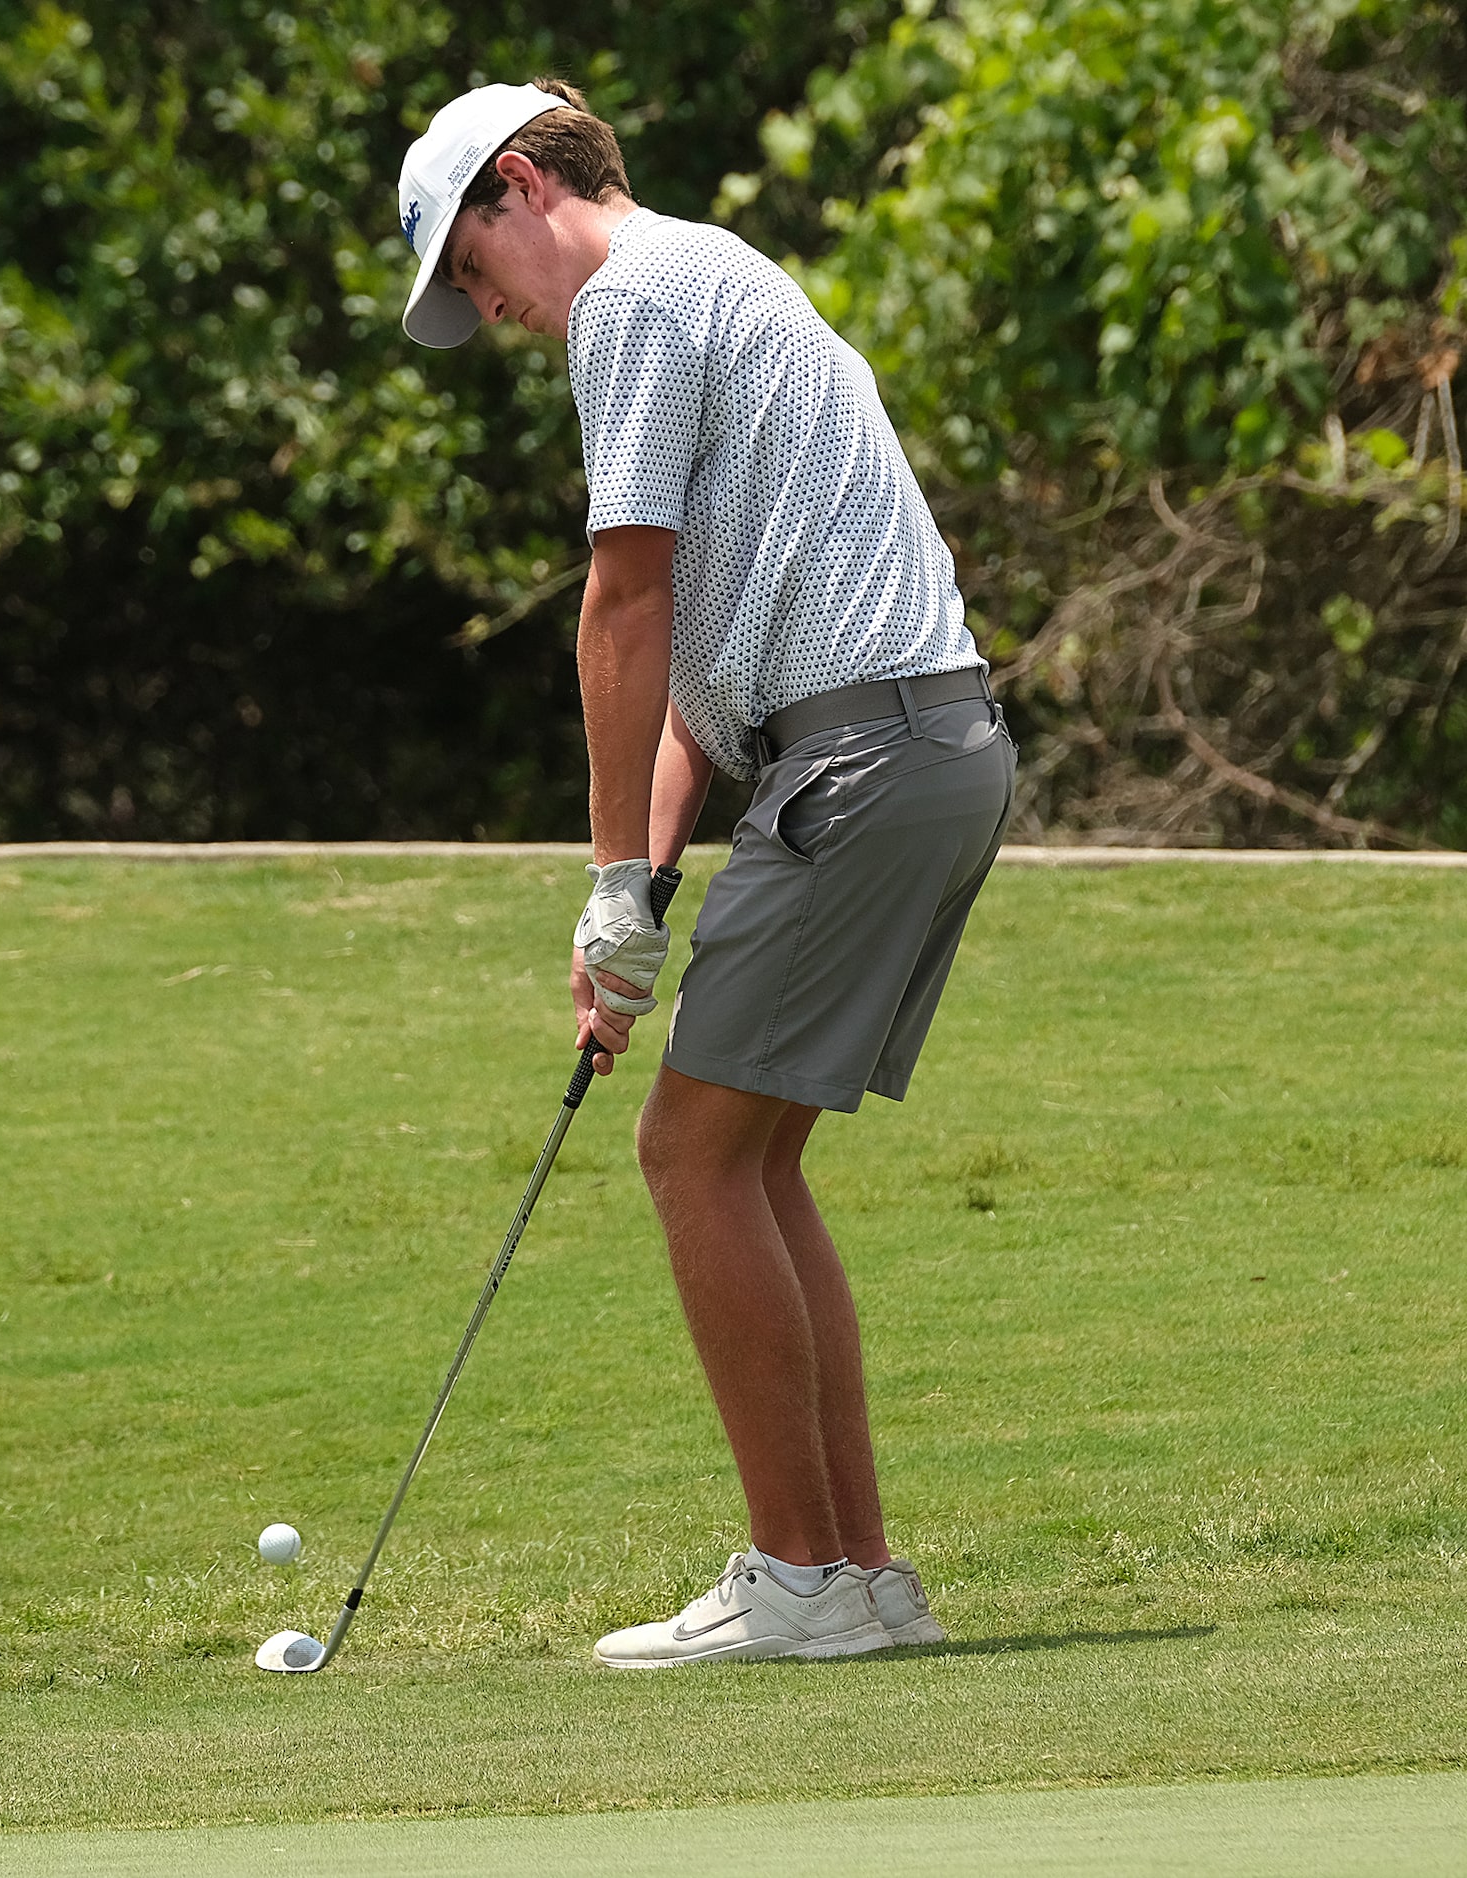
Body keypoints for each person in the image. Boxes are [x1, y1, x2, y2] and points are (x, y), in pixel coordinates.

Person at [396, 78, 1015, 1668]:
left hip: (860, 761)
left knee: (688, 1156)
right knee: (751, 1159)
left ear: (522, 188)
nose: (499, 313)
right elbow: (697, 677)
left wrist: (605, 873)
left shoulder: (636, 303)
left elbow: (624, 604)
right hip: (924, 746)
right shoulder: (719, 273)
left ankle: (799, 1578)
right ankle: (862, 1576)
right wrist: (640, 902)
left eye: (476, 271)